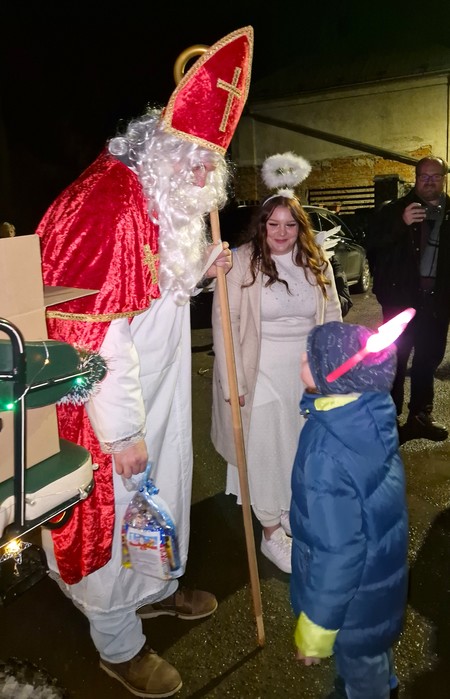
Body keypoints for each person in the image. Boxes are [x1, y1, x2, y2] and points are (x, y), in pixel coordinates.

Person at [36, 26, 253, 699]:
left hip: (157, 393)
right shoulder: (109, 203)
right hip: (110, 405)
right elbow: (98, 332)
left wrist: (200, 268)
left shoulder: (155, 198)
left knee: (161, 494)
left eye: (211, 167)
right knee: (119, 507)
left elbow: (152, 286)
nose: (203, 179)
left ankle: (154, 589)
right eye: (195, 162)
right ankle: (118, 643)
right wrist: (123, 430)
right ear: (162, 148)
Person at [211, 152, 342, 575]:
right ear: (261, 226)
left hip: (304, 373)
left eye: (290, 225)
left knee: (299, 449)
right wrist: (233, 382)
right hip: (259, 371)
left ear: (300, 227)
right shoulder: (241, 263)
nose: (281, 233)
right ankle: (270, 533)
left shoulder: (317, 262)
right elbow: (226, 324)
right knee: (266, 449)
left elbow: (332, 317)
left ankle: (287, 512)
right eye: (273, 224)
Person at [291, 320, 408, 699]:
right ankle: (384, 684)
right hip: (378, 581)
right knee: (373, 653)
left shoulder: (327, 451)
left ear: (335, 378)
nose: (301, 358)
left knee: (361, 666)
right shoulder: (369, 414)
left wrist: (317, 627)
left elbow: (339, 552)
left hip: (352, 603)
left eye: (310, 358)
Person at [367, 156, 450, 444]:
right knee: (394, 361)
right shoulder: (394, 210)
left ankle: (420, 417)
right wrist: (400, 224)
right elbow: (373, 246)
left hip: (437, 302)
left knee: (428, 359)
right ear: (416, 178)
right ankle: (388, 420)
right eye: (424, 176)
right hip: (400, 301)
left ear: (444, 178)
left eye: (435, 176)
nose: (429, 182)